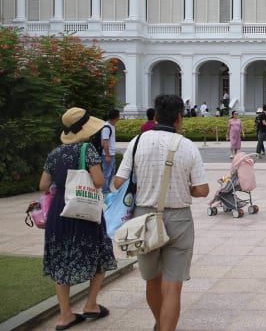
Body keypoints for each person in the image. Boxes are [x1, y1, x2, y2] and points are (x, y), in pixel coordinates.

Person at [114, 94, 209, 331]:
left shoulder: (137, 142)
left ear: (155, 116)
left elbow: (117, 182)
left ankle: (160, 324)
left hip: (144, 217)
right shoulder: (187, 146)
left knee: (152, 280)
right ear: (180, 117)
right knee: (173, 285)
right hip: (178, 218)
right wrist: (183, 187)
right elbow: (202, 190)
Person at [41, 107, 117, 331]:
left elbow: (43, 185)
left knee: (60, 258)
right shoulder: (88, 150)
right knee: (100, 253)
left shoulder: (54, 153)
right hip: (84, 211)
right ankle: (91, 304)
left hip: (59, 211)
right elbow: (99, 180)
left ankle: (65, 315)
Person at [101, 109, 120, 194]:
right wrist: (108, 155)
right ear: (115, 117)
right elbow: (105, 142)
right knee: (107, 173)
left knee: (111, 173)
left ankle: (107, 188)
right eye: (118, 116)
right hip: (107, 154)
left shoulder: (111, 126)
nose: (119, 118)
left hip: (112, 153)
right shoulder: (106, 128)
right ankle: (104, 190)